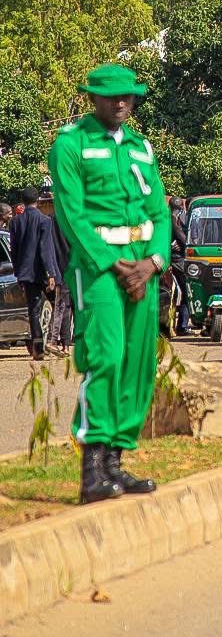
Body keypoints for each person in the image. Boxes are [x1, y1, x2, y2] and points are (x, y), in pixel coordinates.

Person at [48, 64, 171, 504]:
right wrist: (113, 263)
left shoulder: (142, 147)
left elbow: (160, 212)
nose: (120, 102)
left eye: (127, 96)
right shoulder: (71, 143)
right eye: (111, 96)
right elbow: (70, 213)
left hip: (143, 264)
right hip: (98, 266)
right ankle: (92, 470)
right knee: (106, 356)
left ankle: (116, 462)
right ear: (92, 98)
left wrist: (153, 262)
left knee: (137, 363)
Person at [9, 186, 59, 361]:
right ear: (37, 200)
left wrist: (18, 272)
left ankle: (38, 348)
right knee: (57, 305)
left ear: (23, 201)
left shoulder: (15, 222)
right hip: (42, 271)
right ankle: (51, 340)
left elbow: (14, 250)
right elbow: (46, 249)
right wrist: (51, 273)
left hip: (25, 272)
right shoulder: (45, 220)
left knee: (33, 310)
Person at [47, 217, 73, 355]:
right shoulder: (74, 219)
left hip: (59, 269)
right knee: (67, 307)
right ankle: (65, 343)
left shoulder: (51, 222)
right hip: (73, 268)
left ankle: (58, 342)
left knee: (62, 306)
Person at [169, 197, 191, 336]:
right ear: (181, 207)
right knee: (188, 291)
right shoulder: (172, 220)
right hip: (177, 260)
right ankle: (182, 326)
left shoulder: (172, 219)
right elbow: (183, 240)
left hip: (174, 258)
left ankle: (181, 325)